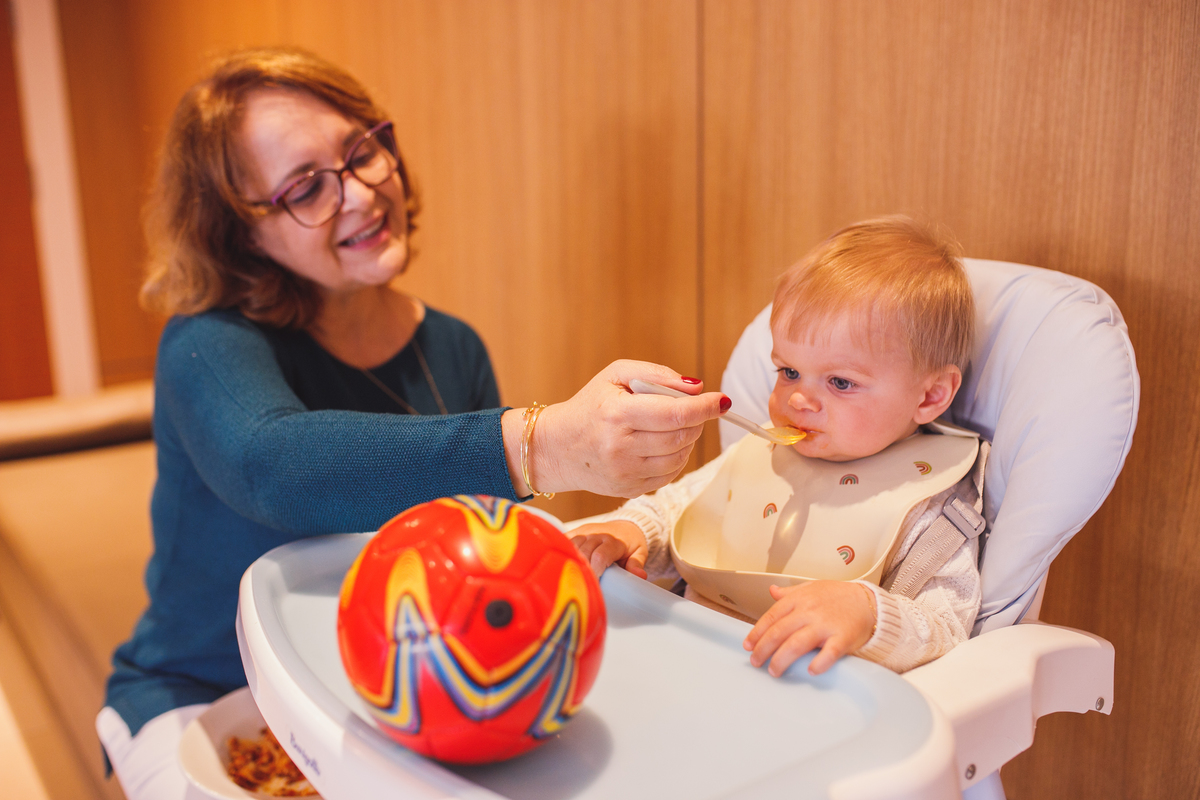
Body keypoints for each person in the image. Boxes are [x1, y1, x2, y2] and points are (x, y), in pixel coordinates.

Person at [96, 47, 726, 799]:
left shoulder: (451, 345)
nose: (361, 193)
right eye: (305, 189)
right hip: (207, 694)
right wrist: (546, 446)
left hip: (384, 692)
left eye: (362, 151)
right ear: (241, 233)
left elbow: (473, 546)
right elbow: (275, 464)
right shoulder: (207, 343)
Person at [572, 215, 984, 678]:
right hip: (685, 666)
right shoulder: (763, 455)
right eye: (788, 372)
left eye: (841, 382)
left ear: (930, 396)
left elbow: (946, 626)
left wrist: (868, 613)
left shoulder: (932, 505)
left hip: (806, 707)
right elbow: (677, 513)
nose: (799, 399)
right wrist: (632, 532)